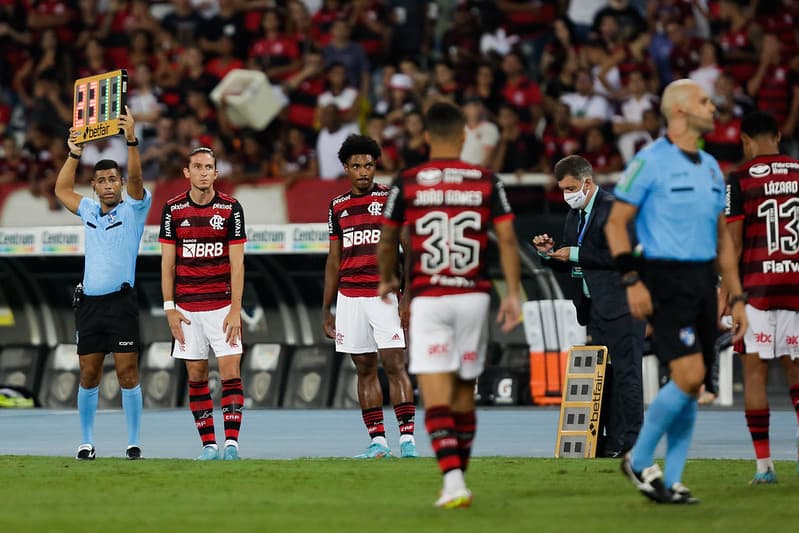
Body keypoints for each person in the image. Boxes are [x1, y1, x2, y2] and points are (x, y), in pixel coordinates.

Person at [605, 79, 748, 504]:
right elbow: (616, 224)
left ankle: (673, 480)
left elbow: (723, 238)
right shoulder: (649, 162)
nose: (714, 106)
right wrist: (631, 280)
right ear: (681, 110)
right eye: (705, 100)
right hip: (665, 278)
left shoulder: (710, 167)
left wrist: (735, 294)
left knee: (696, 381)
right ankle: (639, 456)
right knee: (688, 376)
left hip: (705, 280)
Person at [377, 101, 522, 508]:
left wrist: (387, 277)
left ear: (425, 137)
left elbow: (388, 240)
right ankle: (457, 478)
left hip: (430, 299)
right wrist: (512, 292)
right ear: (463, 137)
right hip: (473, 295)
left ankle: (454, 480)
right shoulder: (486, 179)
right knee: (463, 394)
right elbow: (508, 239)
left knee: (437, 394)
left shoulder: (406, 181)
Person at [54, 108, 151, 460]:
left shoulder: (134, 209)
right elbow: (61, 188)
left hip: (121, 304)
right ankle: (85, 442)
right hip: (90, 306)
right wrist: (75, 152)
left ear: (120, 183)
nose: (109, 185)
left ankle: (134, 441)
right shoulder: (88, 211)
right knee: (88, 374)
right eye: (102, 181)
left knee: (128, 373)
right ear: (94, 186)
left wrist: (131, 141)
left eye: (114, 179)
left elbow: (139, 179)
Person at [532, 155, 645, 458]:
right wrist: (548, 255)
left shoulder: (612, 210)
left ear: (588, 182)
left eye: (571, 187)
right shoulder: (575, 216)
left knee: (628, 374)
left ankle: (634, 443)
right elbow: (573, 265)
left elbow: (621, 258)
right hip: (594, 307)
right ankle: (609, 439)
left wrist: (576, 254)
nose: (567, 195)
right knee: (605, 377)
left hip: (622, 305)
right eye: (563, 189)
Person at [323, 134, 418, 459]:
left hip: (385, 296)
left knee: (395, 364)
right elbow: (334, 260)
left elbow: (411, 249)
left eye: (368, 165)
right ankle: (378, 441)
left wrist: (407, 298)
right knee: (364, 369)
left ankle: (407, 440)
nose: (363, 171)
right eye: (356, 165)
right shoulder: (337, 206)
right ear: (346, 168)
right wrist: (327, 309)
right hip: (350, 299)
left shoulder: (392, 199)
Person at [159, 146, 247, 461]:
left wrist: (236, 309)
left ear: (215, 172)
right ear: (187, 172)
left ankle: (232, 444)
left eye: (208, 166)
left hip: (222, 306)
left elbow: (237, 264)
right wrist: (169, 306)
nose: (203, 172)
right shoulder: (172, 209)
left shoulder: (231, 208)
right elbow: (167, 264)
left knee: (230, 372)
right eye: (197, 166)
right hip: (186, 308)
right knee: (196, 376)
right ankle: (209, 445)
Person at [725, 111, 799, 484]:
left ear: (745, 140)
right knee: (797, 374)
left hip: (756, 289)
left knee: (754, 375)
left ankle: (764, 467)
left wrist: (728, 293)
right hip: (796, 286)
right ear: (779, 134)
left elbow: (734, 243)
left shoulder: (738, 179)